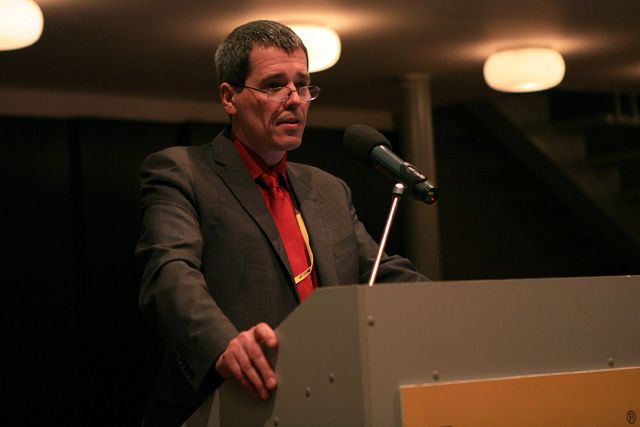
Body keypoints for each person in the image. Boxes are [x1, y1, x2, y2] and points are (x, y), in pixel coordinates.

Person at [135, 20, 427, 427]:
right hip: (226, 407)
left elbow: (382, 271)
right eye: (274, 86)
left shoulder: (328, 189)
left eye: (302, 85)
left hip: (326, 402)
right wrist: (225, 345)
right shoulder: (182, 172)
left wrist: (458, 310)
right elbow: (170, 274)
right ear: (229, 97)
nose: (295, 101)